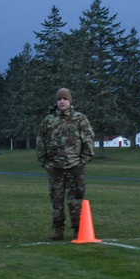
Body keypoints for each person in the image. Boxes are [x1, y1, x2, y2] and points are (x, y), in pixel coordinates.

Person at [36, 88, 95, 240]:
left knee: (75, 201)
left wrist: (83, 161)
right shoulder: (48, 121)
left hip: (74, 166)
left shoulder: (80, 119)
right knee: (56, 201)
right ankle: (58, 231)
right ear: (56, 102)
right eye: (59, 99)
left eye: (65, 99)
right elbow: (40, 141)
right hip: (55, 168)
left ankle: (78, 230)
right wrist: (44, 161)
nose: (62, 102)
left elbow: (88, 139)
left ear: (70, 101)